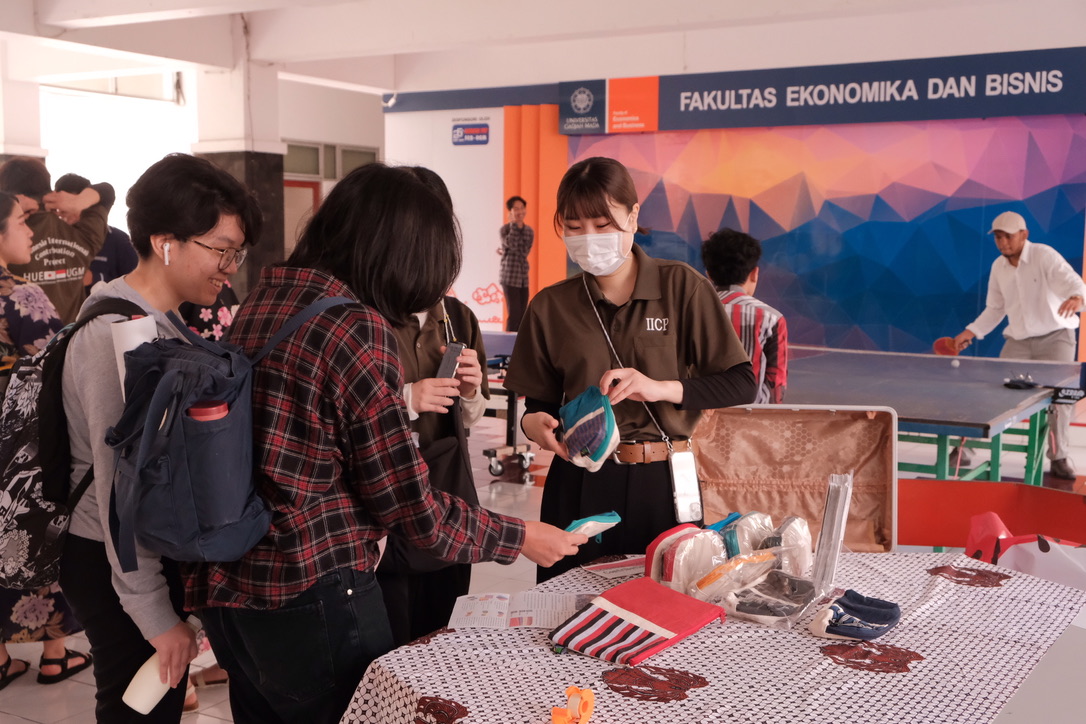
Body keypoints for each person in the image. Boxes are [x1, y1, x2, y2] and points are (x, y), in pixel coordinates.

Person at [187, 162, 585, 724]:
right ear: (397, 255)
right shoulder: (355, 326)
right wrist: (520, 536)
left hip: (233, 588)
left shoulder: (264, 300)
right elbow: (410, 508)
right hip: (314, 591)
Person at [58, 153, 263, 722]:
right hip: (111, 556)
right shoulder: (114, 333)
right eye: (220, 249)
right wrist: (152, 612)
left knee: (158, 706)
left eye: (237, 252)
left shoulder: (162, 319)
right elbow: (119, 487)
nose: (229, 267)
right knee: (139, 711)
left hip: (138, 548)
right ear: (165, 242)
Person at [504, 157, 757, 582]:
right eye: (574, 226)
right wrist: (535, 426)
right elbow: (537, 405)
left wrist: (660, 388)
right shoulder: (550, 306)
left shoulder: (682, 288)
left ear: (633, 215)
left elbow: (741, 383)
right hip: (580, 480)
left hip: (663, 480)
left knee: (665, 604)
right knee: (570, 606)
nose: (589, 238)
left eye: (602, 224)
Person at [374, 166, 490, 646]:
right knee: (391, 635)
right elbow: (342, 410)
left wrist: (471, 391)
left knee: (441, 633)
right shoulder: (370, 315)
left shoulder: (457, 316)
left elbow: (471, 416)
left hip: (448, 493)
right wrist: (408, 398)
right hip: (385, 499)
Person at [0, 191, 92, 692]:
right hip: (18, 445)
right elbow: (57, 364)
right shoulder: (22, 296)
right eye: (20, 222)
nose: (30, 233)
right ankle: (54, 655)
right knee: (34, 532)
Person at [953, 210, 1086, 480]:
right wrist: (971, 331)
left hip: (1056, 338)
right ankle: (965, 448)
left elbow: (1073, 282)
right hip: (1018, 342)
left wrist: (1076, 297)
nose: (1003, 242)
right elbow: (995, 308)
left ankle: (1059, 457)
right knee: (993, 391)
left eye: (1008, 236)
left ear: (1024, 234)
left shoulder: (1043, 255)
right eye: (998, 237)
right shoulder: (998, 267)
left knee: (1060, 399)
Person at [0, 157, 112, 323]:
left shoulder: (10, 237)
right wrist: (78, 202)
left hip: (29, 337)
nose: (28, 233)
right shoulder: (83, 235)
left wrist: (10, 206)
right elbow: (107, 193)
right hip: (73, 337)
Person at [702, 228, 789, 404]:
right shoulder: (771, 318)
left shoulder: (694, 310)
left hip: (700, 412)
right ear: (754, 273)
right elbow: (776, 382)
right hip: (752, 415)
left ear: (708, 275)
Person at [51, 173, 139, 297]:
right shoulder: (49, 238)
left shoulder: (118, 239)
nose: (69, 214)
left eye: (75, 207)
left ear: (89, 206)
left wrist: (95, 278)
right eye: (62, 209)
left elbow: (137, 285)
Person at [497, 195, 533, 332]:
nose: (520, 211)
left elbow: (523, 252)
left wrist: (504, 250)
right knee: (514, 315)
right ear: (510, 211)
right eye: (516, 209)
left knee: (523, 315)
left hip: (523, 277)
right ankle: (509, 343)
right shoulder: (505, 229)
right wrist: (513, 225)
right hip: (509, 276)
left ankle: (520, 341)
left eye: (522, 208)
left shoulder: (529, 231)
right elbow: (512, 244)